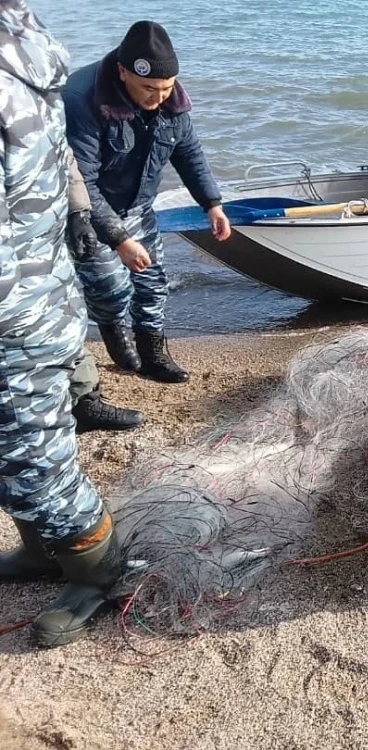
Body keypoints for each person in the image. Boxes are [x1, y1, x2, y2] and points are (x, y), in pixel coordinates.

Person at [1, 0, 123, 647]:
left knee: (36, 458)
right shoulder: (22, 50)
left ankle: (99, 573)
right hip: (32, 296)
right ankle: (43, 550)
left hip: (17, 317)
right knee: (12, 453)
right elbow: (62, 173)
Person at [63, 20, 231, 384]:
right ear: (123, 72)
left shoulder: (172, 101)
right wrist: (119, 239)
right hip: (90, 208)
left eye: (167, 88)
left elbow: (189, 152)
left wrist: (211, 203)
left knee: (152, 282)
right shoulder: (82, 98)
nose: (159, 98)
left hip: (139, 204)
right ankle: (112, 329)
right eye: (150, 89)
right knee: (110, 286)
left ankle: (153, 352)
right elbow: (80, 181)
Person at [66, 151, 145, 433]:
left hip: (35, 228)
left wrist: (78, 211)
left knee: (64, 313)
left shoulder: (37, 119)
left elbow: (61, 154)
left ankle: (84, 401)